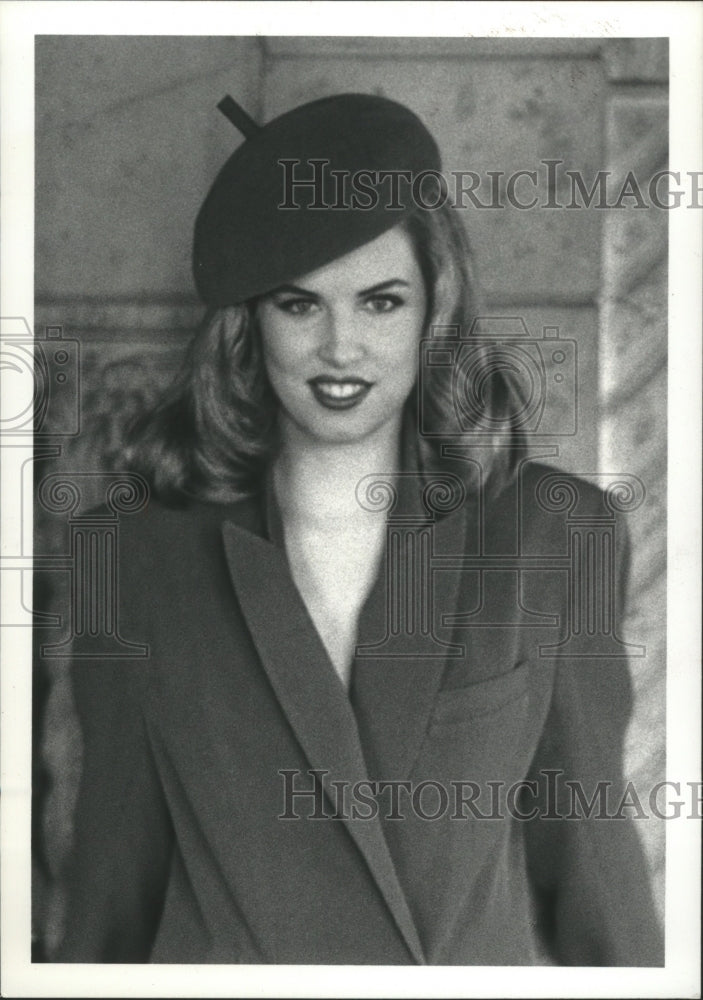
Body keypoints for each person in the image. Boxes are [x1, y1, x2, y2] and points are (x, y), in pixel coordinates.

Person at [55, 93, 663, 965]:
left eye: (379, 303)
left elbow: (595, 875)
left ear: (433, 311)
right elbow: (113, 887)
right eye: (299, 306)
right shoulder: (135, 552)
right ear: (247, 322)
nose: (340, 347)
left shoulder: (551, 535)